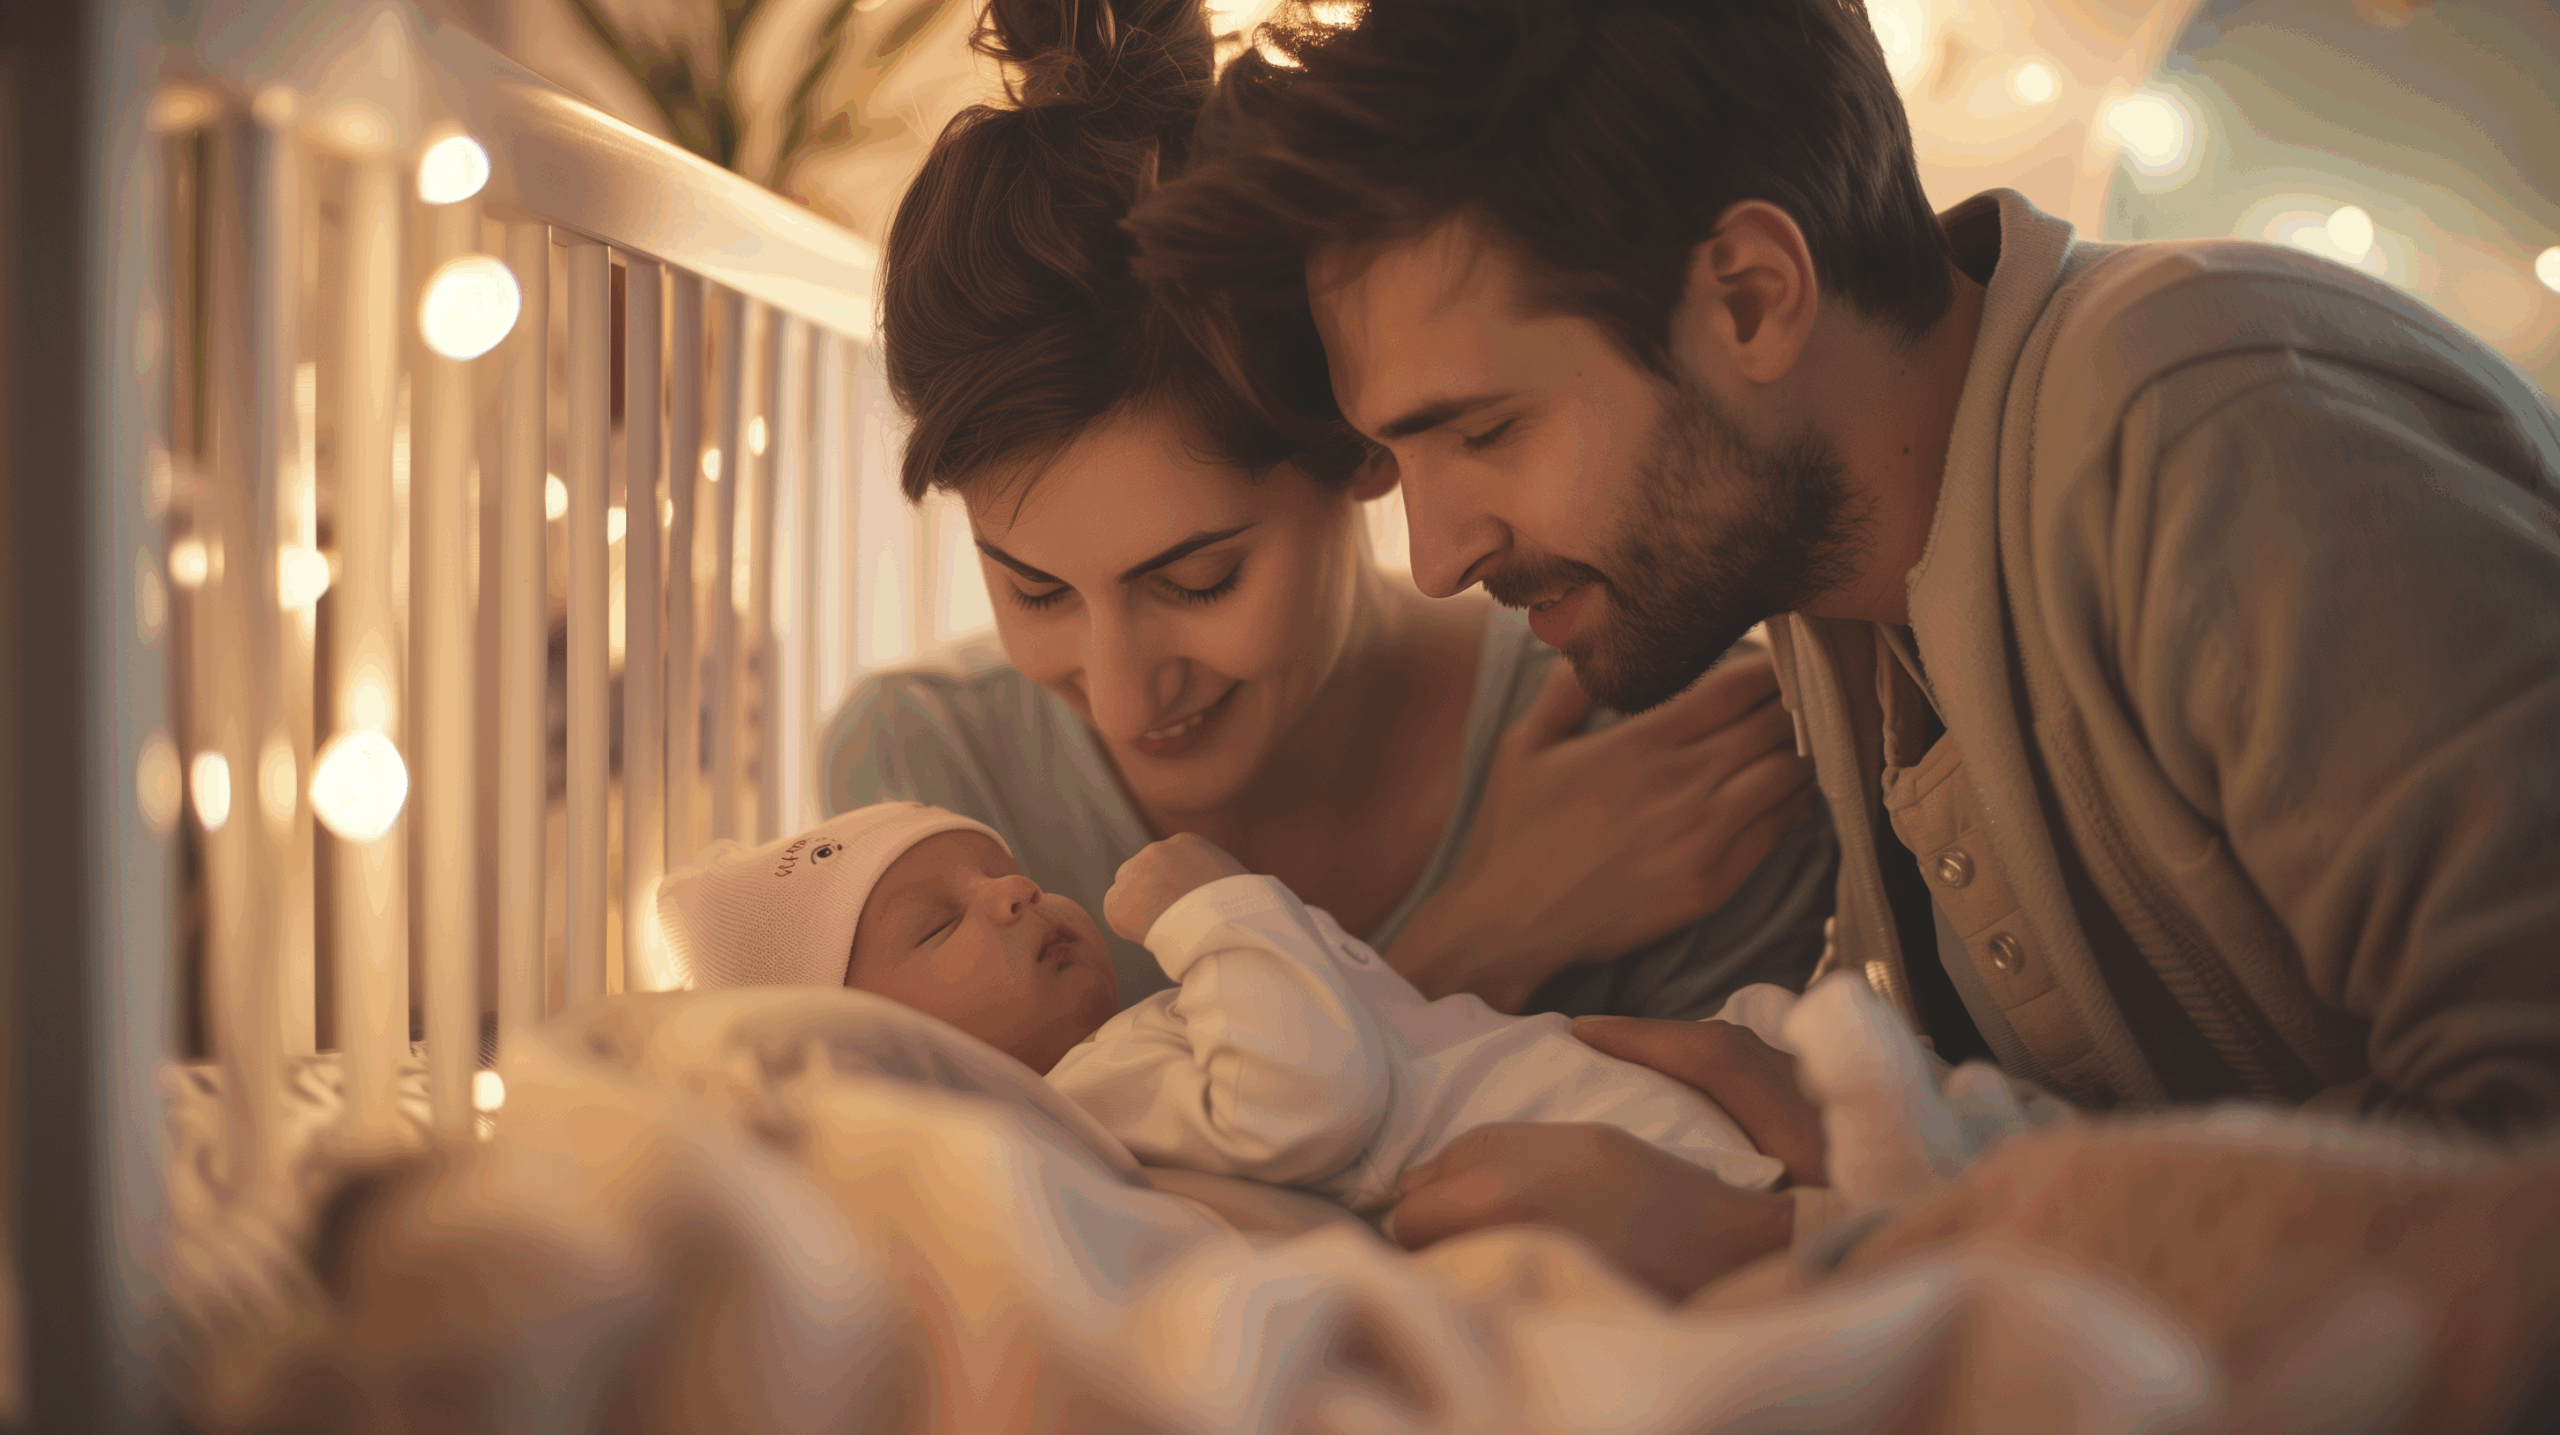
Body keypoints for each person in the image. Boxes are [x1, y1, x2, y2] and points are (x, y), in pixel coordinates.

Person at [1128, 0, 2560, 1284]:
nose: (1439, 557)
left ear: (1752, 296)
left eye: (1487, 432)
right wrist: (1859, 1140)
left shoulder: (2217, 431)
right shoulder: (1837, 586)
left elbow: (2524, 1172)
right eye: (1400, 460)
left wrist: (1789, 1242)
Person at [816, 0, 1839, 1030]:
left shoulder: (1672, 748)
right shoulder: (924, 805)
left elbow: (1732, 1133)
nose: (1122, 703)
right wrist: (1474, 939)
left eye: (1198, 581)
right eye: (1036, 591)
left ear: (1363, 443)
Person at [652, 800, 1788, 1235]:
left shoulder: (1138, 1047)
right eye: (939, 924)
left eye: (1001, 870)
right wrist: (1213, 908)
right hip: (1644, 1169)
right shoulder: (1088, 1105)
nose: (1013, 893)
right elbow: (1311, 1100)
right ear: (890, 1058)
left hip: (1646, 1112)